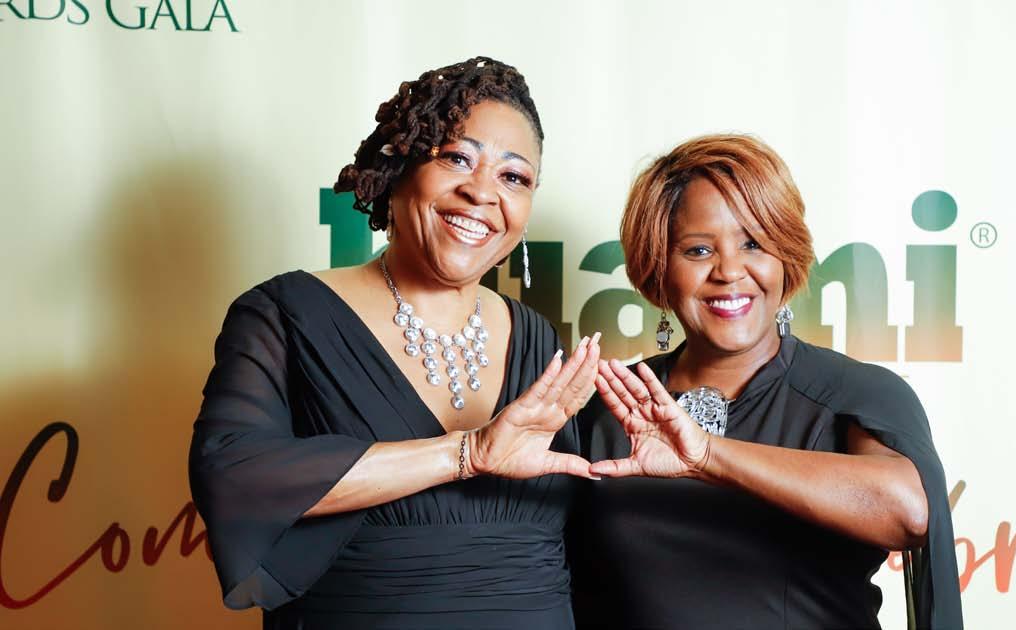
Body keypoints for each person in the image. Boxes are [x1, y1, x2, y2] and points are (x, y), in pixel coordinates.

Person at [189, 56, 601, 629]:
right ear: (399, 167)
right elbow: (234, 475)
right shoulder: (286, 315)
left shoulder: (537, 339)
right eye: (457, 158)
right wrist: (467, 453)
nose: (482, 192)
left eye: (514, 177)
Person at [569, 134, 963, 629]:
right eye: (698, 250)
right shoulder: (611, 404)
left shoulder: (856, 393)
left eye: (753, 243)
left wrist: (707, 455)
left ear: (785, 256)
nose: (730, 271)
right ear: (660, 268)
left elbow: (910, 513)